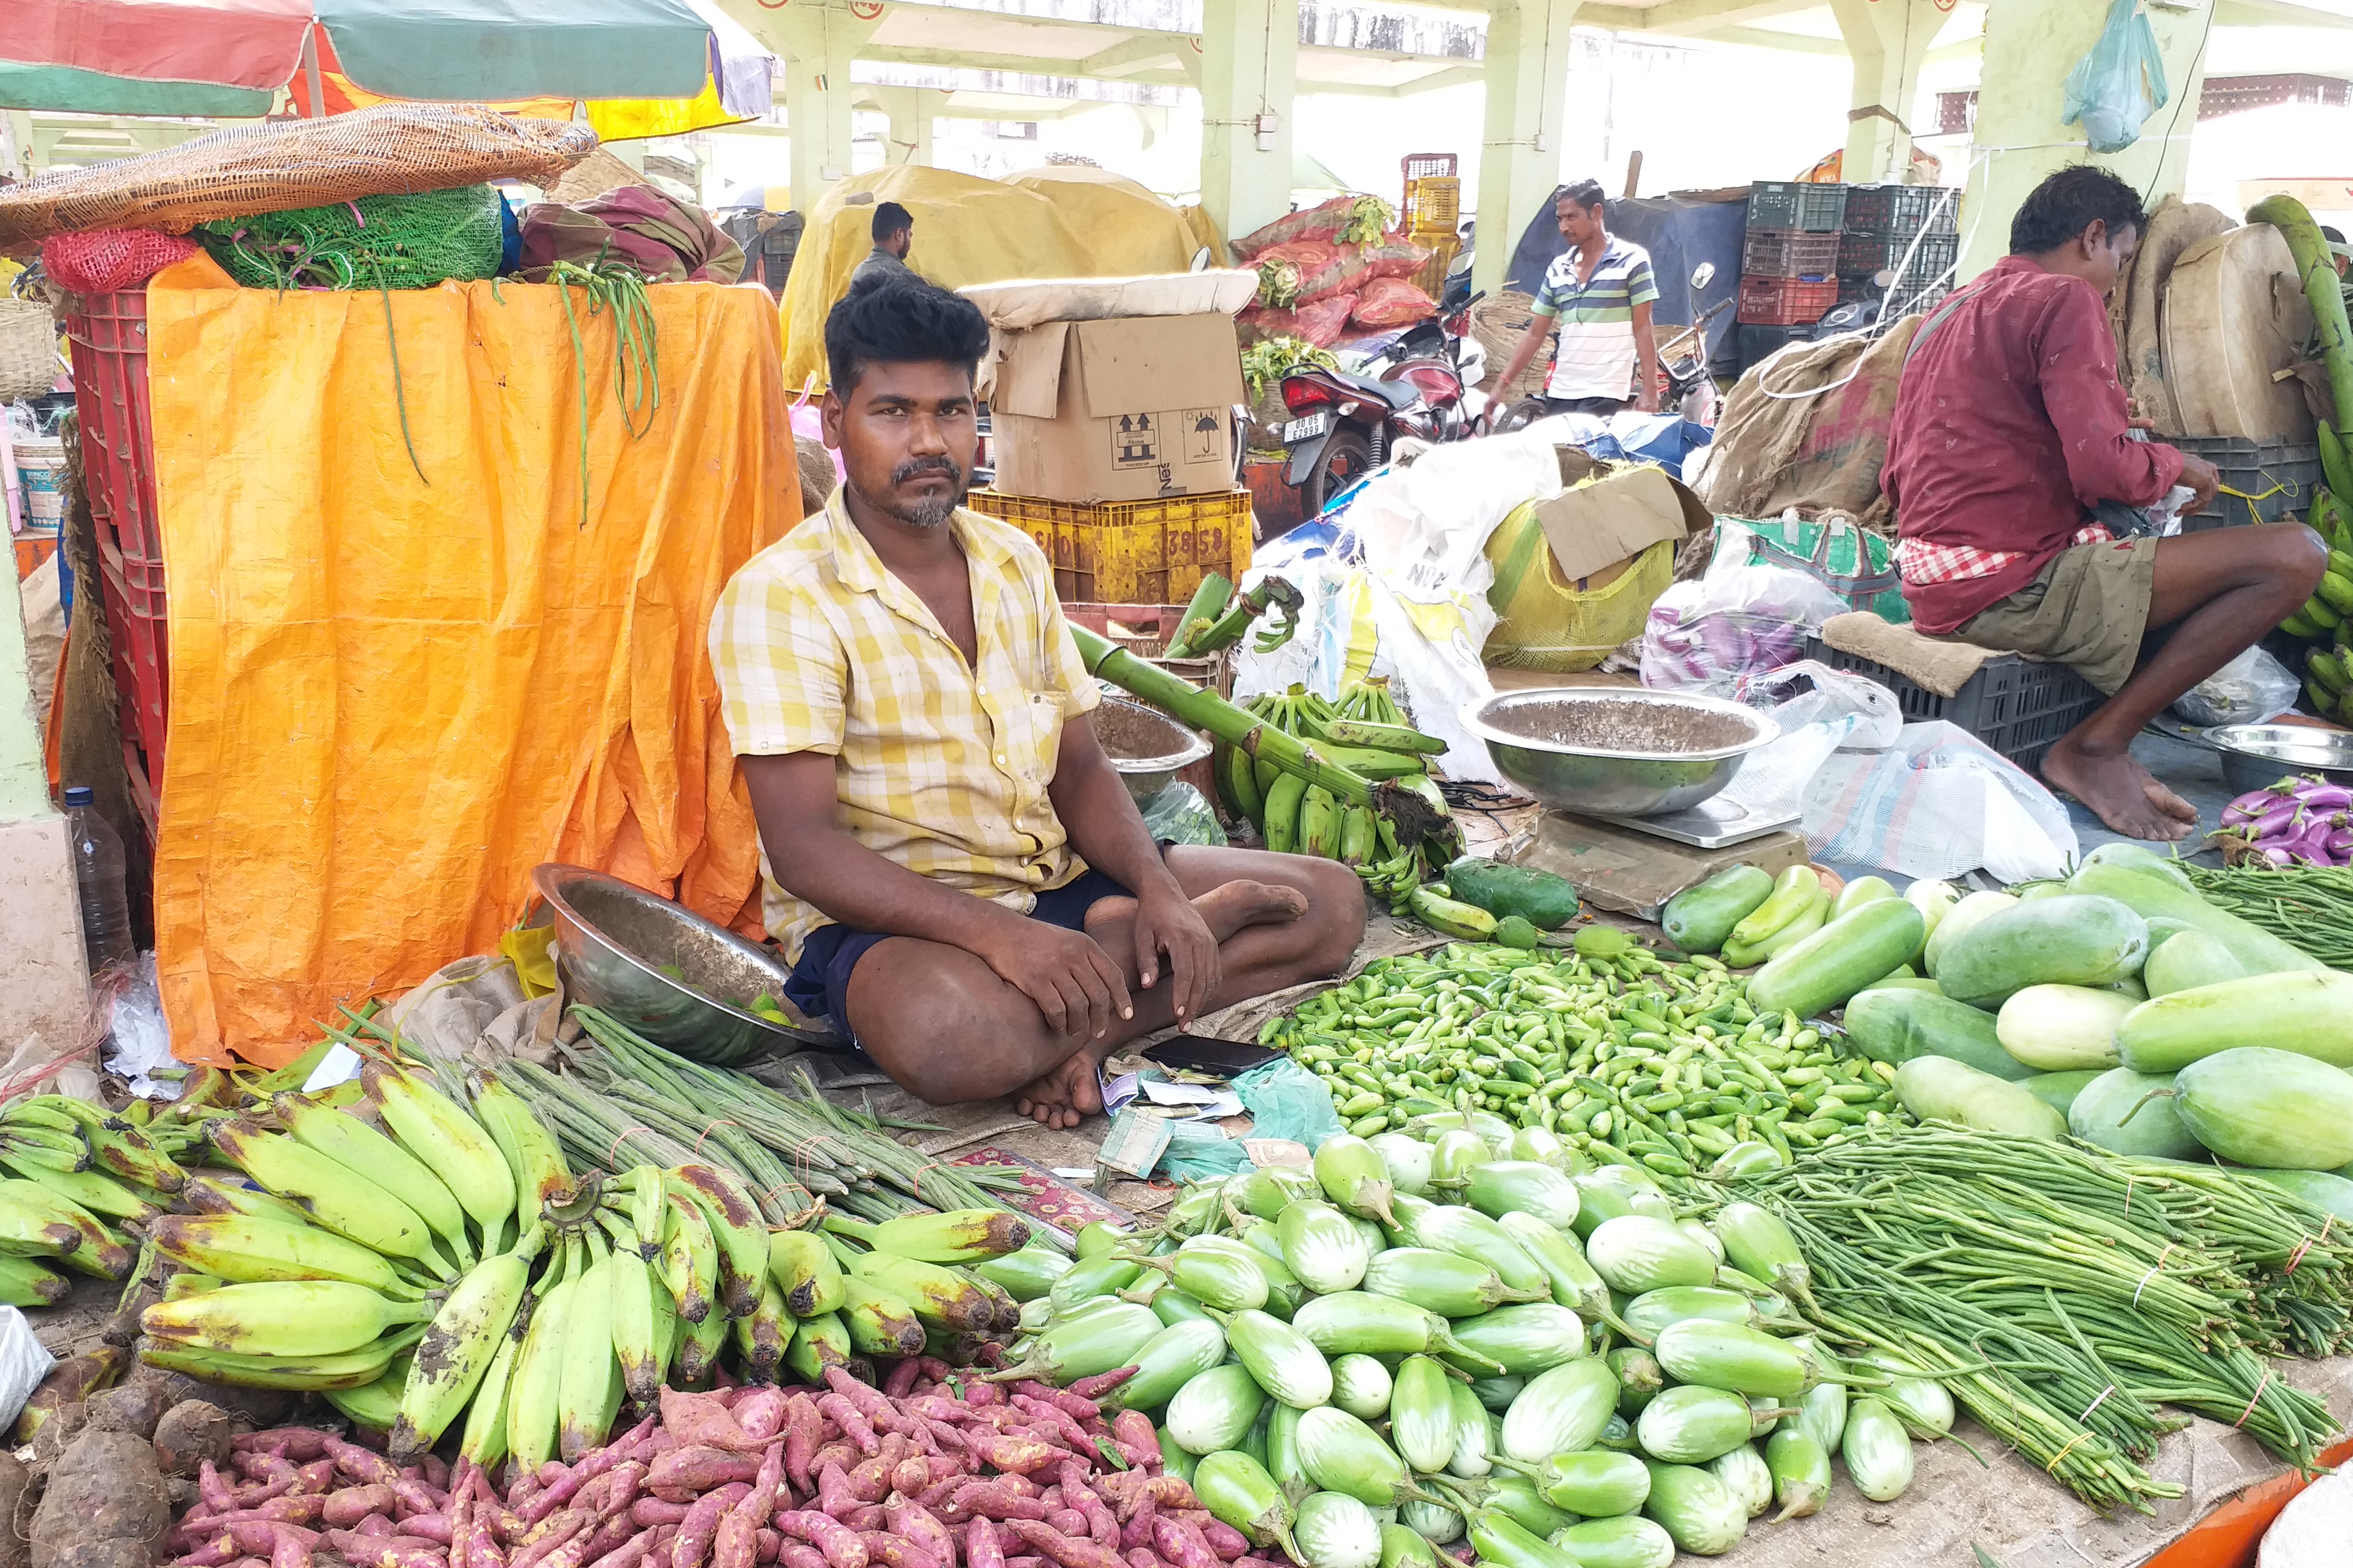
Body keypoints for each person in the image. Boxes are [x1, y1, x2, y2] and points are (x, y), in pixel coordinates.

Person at [709, 274, 1365, 1128]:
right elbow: (803, 851)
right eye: (893, 412)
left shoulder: (1013, 559)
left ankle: (1093, 1019)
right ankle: (1125, 967)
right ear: (835, 421)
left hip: (1054, 881)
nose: (929, 441)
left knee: (1333, 904)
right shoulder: (784, 595)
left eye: (950, 412)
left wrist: (1156, 887)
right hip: (902, 925)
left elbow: (1081, 764)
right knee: (951, 1038)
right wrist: (1001, 938)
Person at [1883, 163, 2324, 841]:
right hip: (2007, 589)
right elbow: (2104, 468)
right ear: (2093, 237)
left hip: (1932, 582)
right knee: (2295, 556)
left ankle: (2099, 738)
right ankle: (2096, 747)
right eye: (2120, 258)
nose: (2116, 280)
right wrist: (2178, 463)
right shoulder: (2063, 297)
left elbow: (1906, 476)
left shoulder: (1949, 310)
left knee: (2165, 555)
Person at [1492, 180, 1660, 418]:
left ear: (1597, 213)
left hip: (1606, 389)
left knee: (1582, 452)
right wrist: (1501, 386)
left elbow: (1643, 326)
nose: (1563, 227)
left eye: (1572, 217)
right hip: (1562, 389)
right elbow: (1535, 333)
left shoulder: (1632, 260)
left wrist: (1650, 390)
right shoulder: (1558, 268)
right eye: (1560, 219)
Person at [851, 202, 915, 292]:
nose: (910, 242)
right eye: (909, 235)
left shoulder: (859, 272)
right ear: (899, 234)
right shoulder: (902, 276)